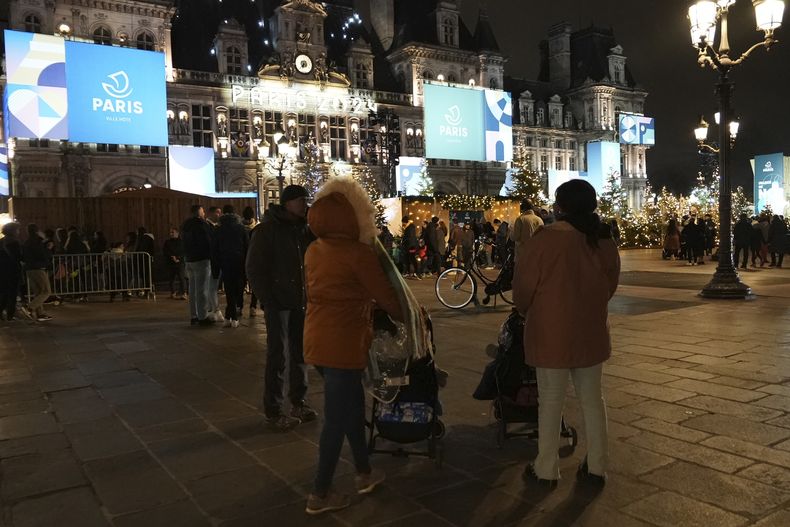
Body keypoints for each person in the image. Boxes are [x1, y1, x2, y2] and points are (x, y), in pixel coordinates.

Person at [302, 178, 403, 515]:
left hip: (318, 339)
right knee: (336, 419)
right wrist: (409, 314)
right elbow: (387, 298)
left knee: (351, 409)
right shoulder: (358, 254)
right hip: (344, 344)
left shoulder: (314, 249)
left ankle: (364, 472)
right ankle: (320, 492)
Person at [513, 178, 620, 489]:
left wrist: (526, 310)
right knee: (592, 399)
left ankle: (546, 469)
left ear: (560, 206)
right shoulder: (603, 239)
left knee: (549, 401)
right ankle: (597, 466)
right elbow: (609, 286)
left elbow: (523, 290)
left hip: (551, 332)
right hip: (590, 331)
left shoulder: (544, 240)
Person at [247, 185, 317, 431]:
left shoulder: (304, 230)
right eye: (299, 200)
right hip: (279, 303)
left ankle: (299, 402)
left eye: (305, 199)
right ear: (286, 203)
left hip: (301, 301)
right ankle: (274, 410)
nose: (304, 204)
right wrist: (268, 299)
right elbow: (254, 269)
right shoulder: (267, 231)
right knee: (278, 356)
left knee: (300, 354)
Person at [213, 205, 249, 328]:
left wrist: (216, 265)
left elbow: (215, 248)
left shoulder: (219, 229)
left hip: (225, 261)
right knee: (238, 287)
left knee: (229, 288)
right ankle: (233, 316)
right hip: (240, 261)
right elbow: (247, 246)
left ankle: (229, 316)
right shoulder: (241, 228)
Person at [181, 205, 214, 326]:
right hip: (201, 259)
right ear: (199, 212)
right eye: (203, 210)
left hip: (189, 259)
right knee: (202, 289)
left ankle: (193, 315)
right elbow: (207, 241)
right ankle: (203, 316)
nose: (204, 212)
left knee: (193, 288)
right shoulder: (202, 225)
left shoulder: (185, 225)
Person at [22, 224, 54, 322]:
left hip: (29, 269)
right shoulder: (37, 242)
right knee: (46, 291)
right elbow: (42, 254)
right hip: (38, 268)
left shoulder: (27, 242)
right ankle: (29, 308)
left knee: (38, 292)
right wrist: (48, 249)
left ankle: (41, 313)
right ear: (37, 231)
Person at [0, 223, 23, 321]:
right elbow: (19, 257)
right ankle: (10, 314)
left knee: (3, 293)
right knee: (13, 293)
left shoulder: (1, 241)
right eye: (17, 230)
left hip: (2, 271)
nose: (18, 232)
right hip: (13, 271)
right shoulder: (15, 243)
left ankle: (0, 313)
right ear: (13, 231)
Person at [241, 206, 260, 318]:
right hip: (254, 257)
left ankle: (239, 305)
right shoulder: (257, 228)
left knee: (242, 282)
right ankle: (253, 306)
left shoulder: (240, 227)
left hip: (242, 258)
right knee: (255, 284)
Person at [163, 227, 186, 299]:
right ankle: (172, 293)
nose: (171, 234)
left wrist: (178, 258)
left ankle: (184, 293)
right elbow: (165, 251)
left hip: (180, 262)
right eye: (170, 232)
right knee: (171, 279)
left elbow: (184, 251)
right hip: (171, 262)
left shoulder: (182, 242)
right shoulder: (167, 242)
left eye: (173, 232)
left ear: (177, 233)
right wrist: (172, 256)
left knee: (181, 278)